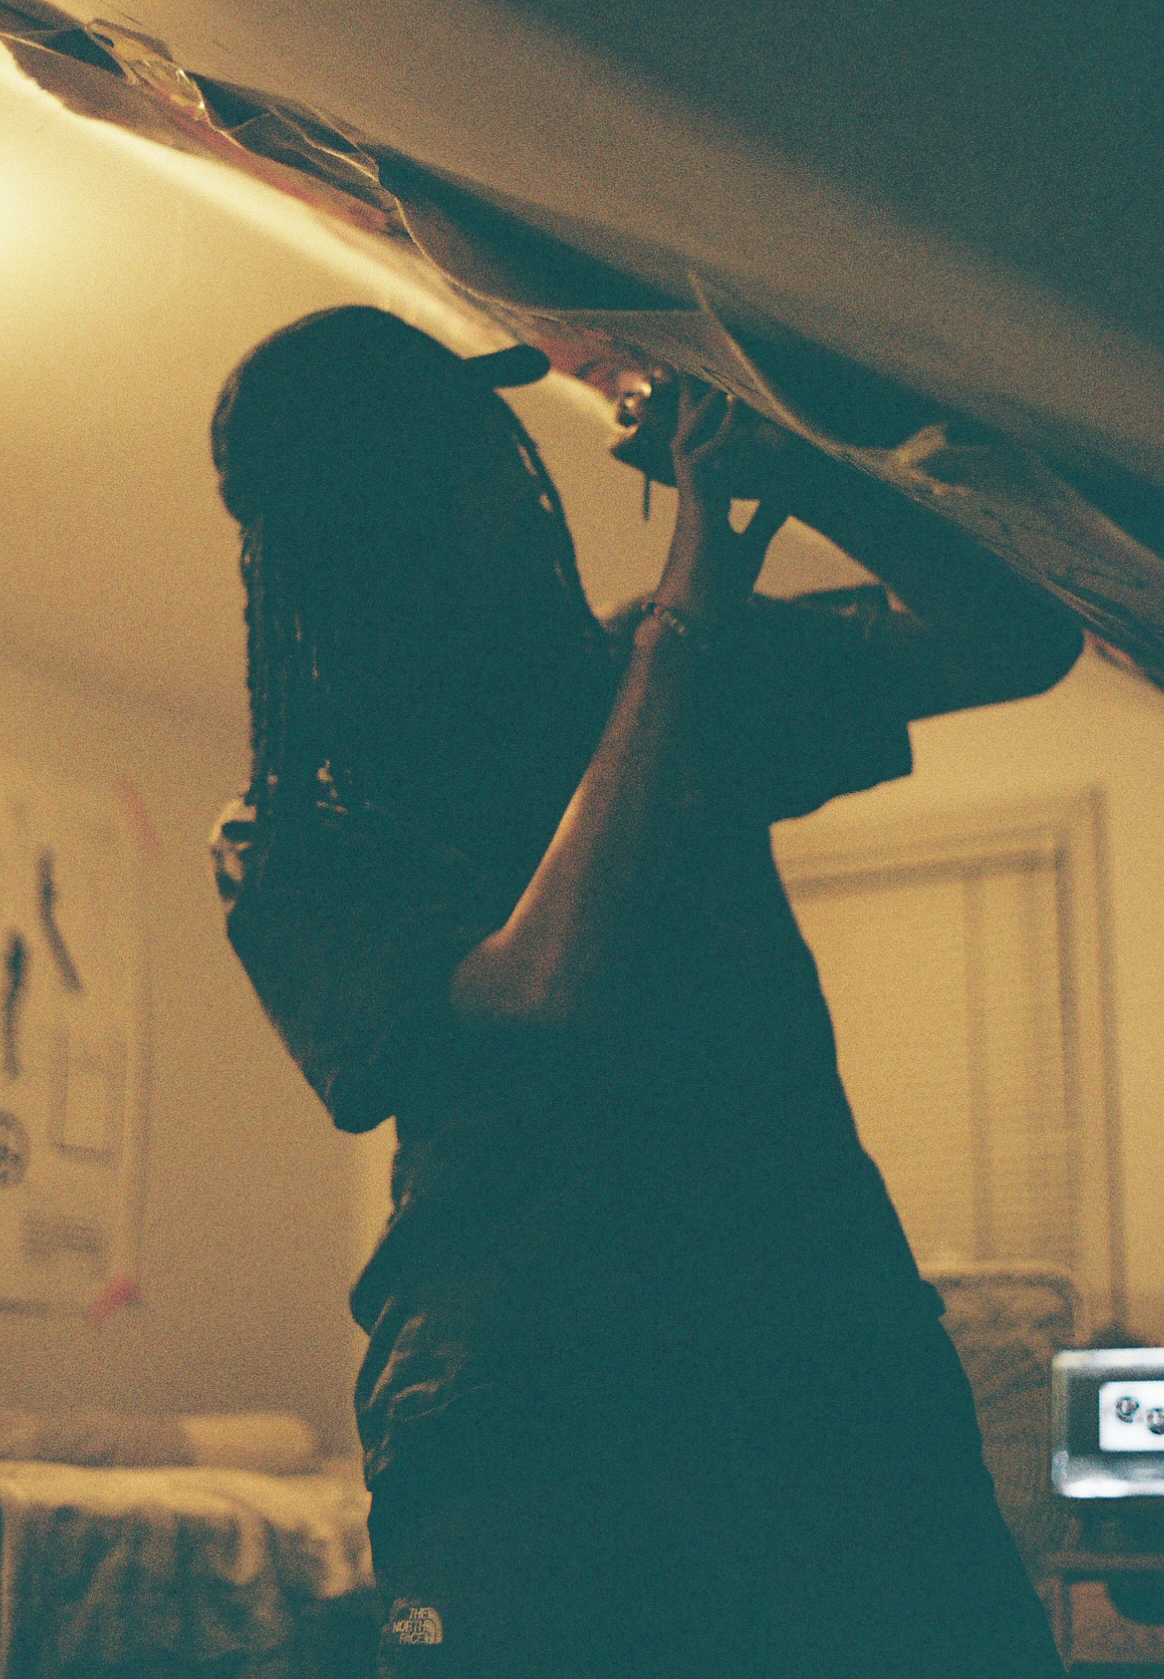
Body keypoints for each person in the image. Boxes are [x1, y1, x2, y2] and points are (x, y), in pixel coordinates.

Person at [209, 304, 1081, 1677]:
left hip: (820, 1345)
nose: (508, 481)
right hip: (524, 1402)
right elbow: (543, 976)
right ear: (373, 534)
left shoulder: (654, 673)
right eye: (455, 464)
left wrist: (801, 472)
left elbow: (1019, 641)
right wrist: (683, 614)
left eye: (491, 447)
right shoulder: (294, 840)